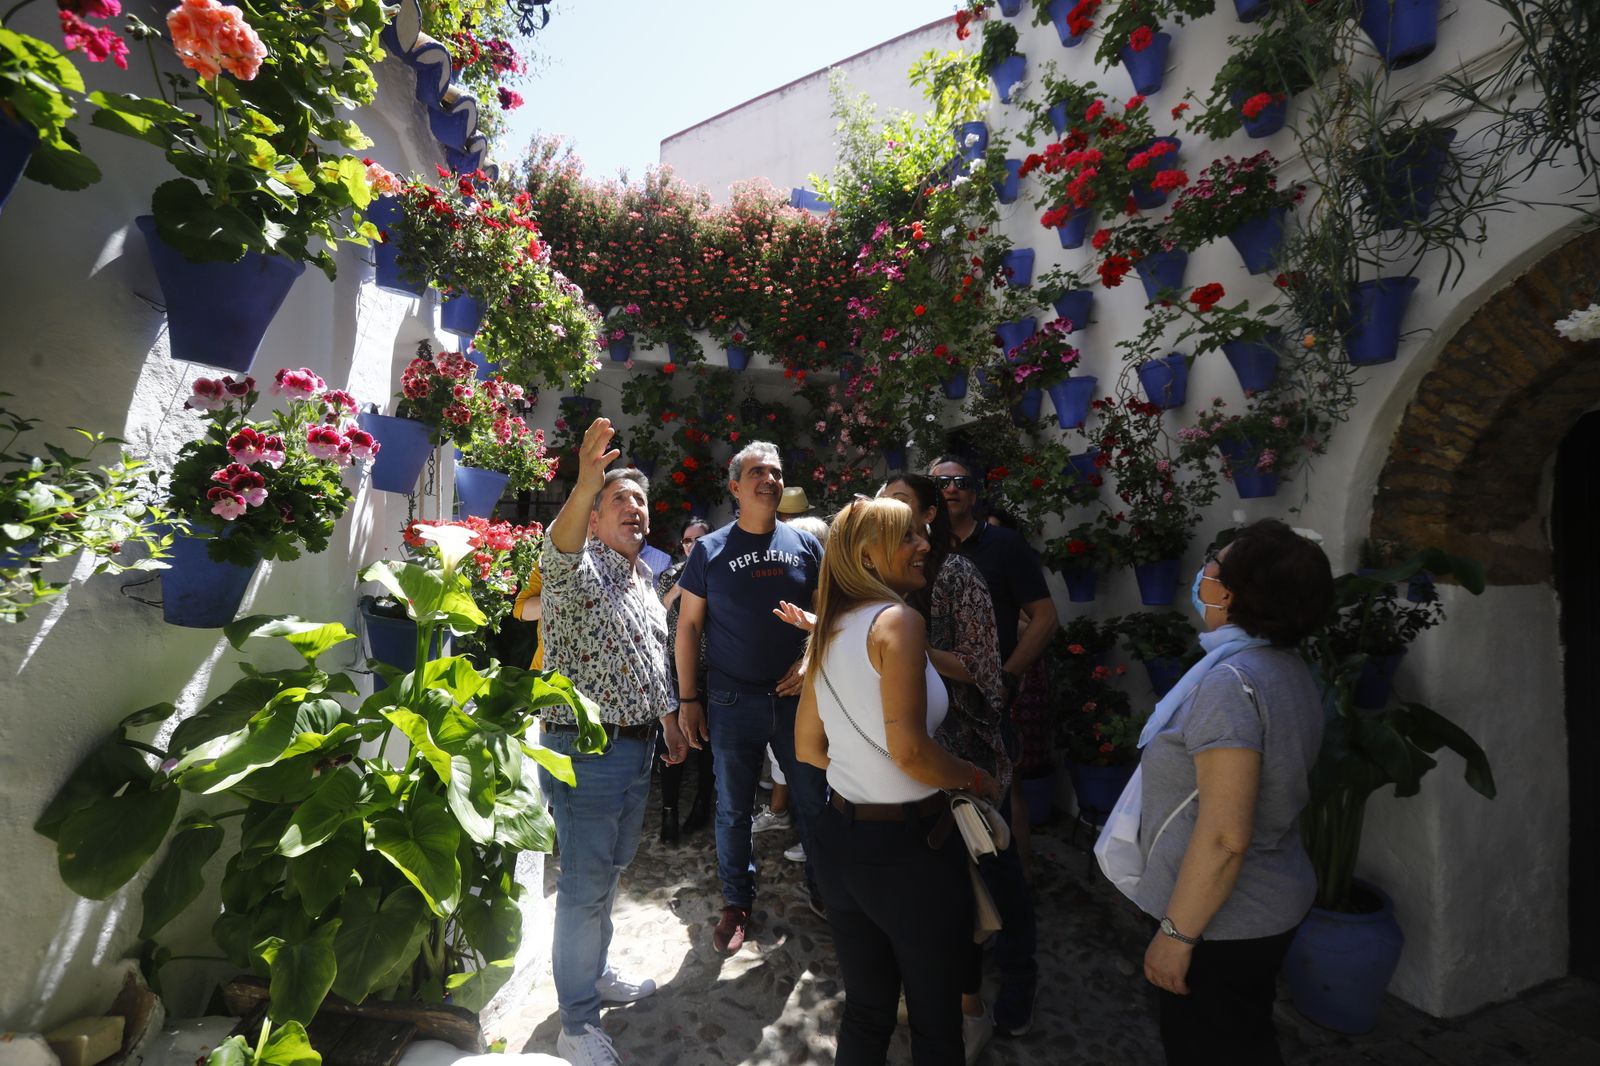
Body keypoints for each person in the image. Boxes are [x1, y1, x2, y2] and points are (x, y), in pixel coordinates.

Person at [795, 496, 1002, 1066]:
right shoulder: (899, 623)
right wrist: (973, 777)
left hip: (839, 840)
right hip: (912, 850)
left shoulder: (830, 628)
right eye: (910, 536)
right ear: (867, 554)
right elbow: (911, 751)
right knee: (937, 1025)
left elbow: (808, 748)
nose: (925, 545)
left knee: (866, 1011)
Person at [1136, 519, 1333, 1065]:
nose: (1203, 570)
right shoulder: (1283, 667)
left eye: (1214, 563)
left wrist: (1177, 936)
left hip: (1223, 923)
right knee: (1243, 1041)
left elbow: (1225, 836)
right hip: (1265, 903)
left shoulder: (1232, 682)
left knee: (1212, 1046)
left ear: (1229, 593)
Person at [538, 417, 690, 1066]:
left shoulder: (641, 581)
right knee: (582, 886)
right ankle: (576, 1024)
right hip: (584, 752)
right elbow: (559, 548)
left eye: (642, 502)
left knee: (607, 877)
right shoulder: (581, 568)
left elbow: (652, 661)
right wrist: (583, 485)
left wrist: (671, 721)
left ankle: (593, 972)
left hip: (635, 753)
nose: (635, 509)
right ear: (594, 518)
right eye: (619, 499)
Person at [675, 441, 828, 954]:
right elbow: (689, 626)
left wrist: (811, 660)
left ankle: (825, 891)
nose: (769, 479)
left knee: (813, 800)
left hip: (796, 702)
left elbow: (831, 618)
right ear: (736, 486)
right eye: (758, 471)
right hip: (730, 701)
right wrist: (688, 698)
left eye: (777, 471)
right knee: (733, 809)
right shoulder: (711, 550)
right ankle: (737, 903)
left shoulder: (808, 547)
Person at [879, 473, 1010, 1061]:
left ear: (930, 516)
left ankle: (973, 1006)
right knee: (926, 893)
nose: (892, 516)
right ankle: (934, 992)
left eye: (903, 506)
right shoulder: (879, 577)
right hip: (910, 757)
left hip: (959, 752)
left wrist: (905, 648)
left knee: (971, 892)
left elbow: (985, 669)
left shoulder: (955, 575)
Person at [927, 455, 1055, 1037]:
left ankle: (1019, 972)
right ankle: (961, 968)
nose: (951, 489)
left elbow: (1044, 617)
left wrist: (1001, 677)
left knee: (996, 851)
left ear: (976, 492)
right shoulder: (918, 553)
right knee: (945, 859)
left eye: (961, 481)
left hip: (981, 721)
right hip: (927, 726)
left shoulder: (1002, 548)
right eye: (941, 482)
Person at [656, 518, 714, 844]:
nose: (693, 546)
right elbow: (659, 609)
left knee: (706, 745)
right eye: (688, 541)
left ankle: (703, 803)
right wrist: (683, 583)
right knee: (672, 741)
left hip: (710, 670)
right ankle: (668, 810)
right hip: (675, 670)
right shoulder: (670, 575)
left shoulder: (720, 573)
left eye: (699, 540)